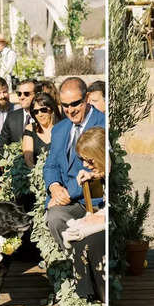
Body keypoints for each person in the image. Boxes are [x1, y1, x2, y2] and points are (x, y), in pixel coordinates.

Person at [44, 77, 106, 251]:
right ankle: (73, 262)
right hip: (69, 202)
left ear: (86, 99)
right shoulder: (60, 129)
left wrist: (63, 195)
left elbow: (96, 167)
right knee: (55, 218)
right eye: (65, 105)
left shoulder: (103, 124)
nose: (70, 110)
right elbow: (50, 166)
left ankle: (85, 263)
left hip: (95, 199)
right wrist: (54, 187)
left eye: (75, 104)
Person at [61, 126, 107, 303]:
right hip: (101, 216)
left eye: (89, 161)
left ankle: (102, 296)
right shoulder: (100, 172)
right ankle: (88, 296)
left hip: (109, 221)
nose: (85, 165)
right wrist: (93, 176)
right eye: (82, 160)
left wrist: (98, 218)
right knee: (80, 241)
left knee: (90, 244)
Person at [0, 78, 36, 153]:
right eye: (19, 94)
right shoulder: (11, 117)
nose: (22, 97)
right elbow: (2, 146)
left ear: (36, 94)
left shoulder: (45, 115)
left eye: (26, 94)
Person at [22, 92, 61, 168]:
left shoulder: (62, 128)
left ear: (51, 109)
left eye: (43, 110)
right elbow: (28, 159)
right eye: (36, 112)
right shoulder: (30, 128)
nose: (40, 114)